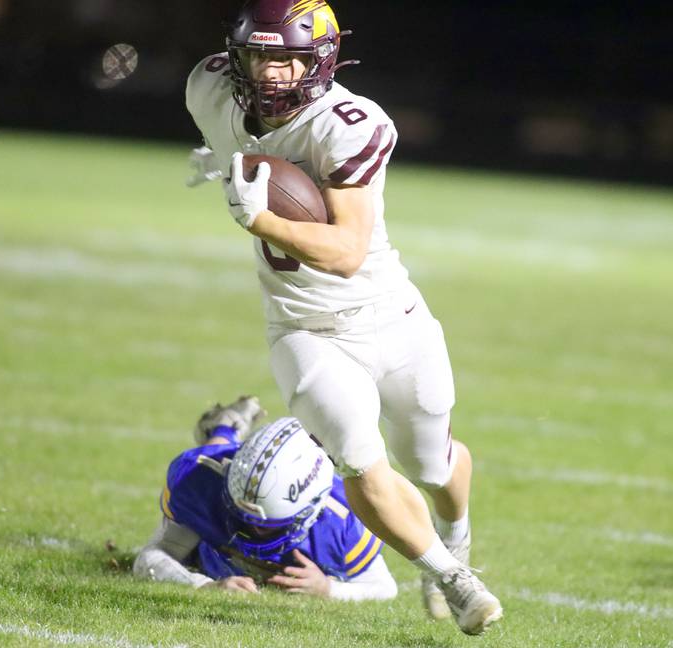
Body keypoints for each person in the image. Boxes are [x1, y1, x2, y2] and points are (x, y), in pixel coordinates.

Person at [185, 0, 502, 633]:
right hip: (304, 329)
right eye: (258, 56)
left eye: (286, 58)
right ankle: (452, 577)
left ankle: (455, 533)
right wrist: (227, 162)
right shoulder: (210, 89)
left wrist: (260, 217)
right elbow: (233, 132)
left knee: (432, 467)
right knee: (358, 456)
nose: (270, 73)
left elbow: (348, 253)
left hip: (391, 316)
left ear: (320, 61)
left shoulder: (348, 125)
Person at [133, 396, 397, 601]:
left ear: (311, 509)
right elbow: (151, 558)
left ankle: (226, 426)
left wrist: (328, 588)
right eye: (241, 516)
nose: (251, 530)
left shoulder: (342, 520)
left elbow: (385, 588)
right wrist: (206, 586)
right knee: (212, 457)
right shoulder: (202, 481)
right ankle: (224, 428)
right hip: (220, 467)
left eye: (268, 525)